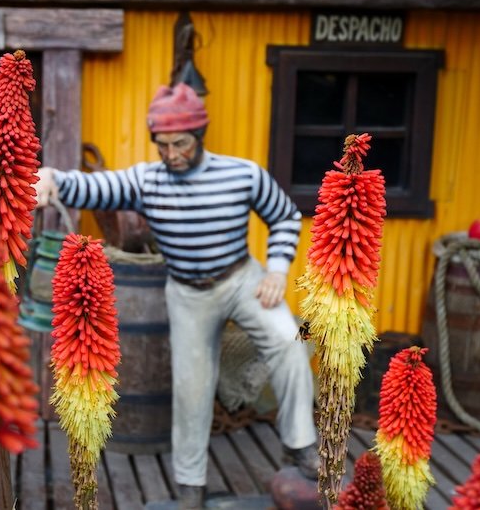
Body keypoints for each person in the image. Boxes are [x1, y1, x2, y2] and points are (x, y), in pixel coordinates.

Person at [34, 83, 319, 509]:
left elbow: (285, 217)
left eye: (180, 143)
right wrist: (53, 179)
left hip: (242, 278)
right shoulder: (146, 180)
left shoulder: (243, 173)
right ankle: (191, 487)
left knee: (289, 342)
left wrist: (278, 269)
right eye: (163, 144)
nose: (172, 153)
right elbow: (95, 188)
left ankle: (300, 445)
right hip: (187, 292)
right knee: (191, 388)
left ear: (199, 136)